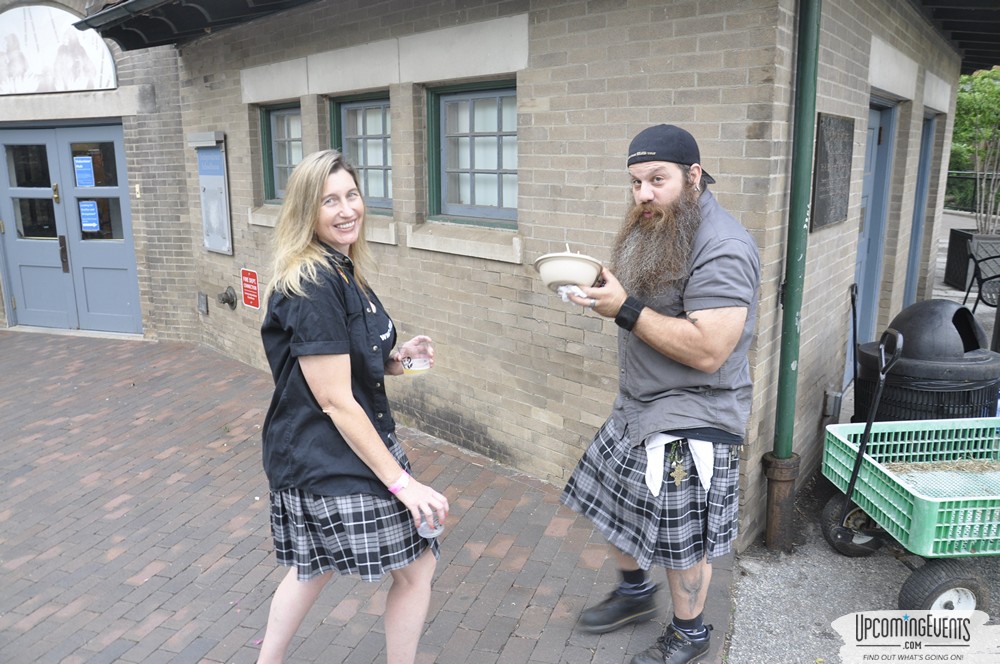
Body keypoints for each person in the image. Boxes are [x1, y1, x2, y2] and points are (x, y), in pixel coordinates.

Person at [560, 124, 760, 664]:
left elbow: (709, 349)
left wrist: (622, 309)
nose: (643, 194)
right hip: (640, 403)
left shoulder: (723, 246)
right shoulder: (664, 223)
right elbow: (649, 298)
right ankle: (632, 593)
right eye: (635, 182)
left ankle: (691, 633)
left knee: (681, 538)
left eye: (656, 179)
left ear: (693, 175)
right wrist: (609, 289)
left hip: (694, 413)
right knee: (610, 499)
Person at [257, 149, 449, 664]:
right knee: (415, 567)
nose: (347, 210)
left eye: (352, 195)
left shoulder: (343, 269)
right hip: (327, 453)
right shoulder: (315, 282)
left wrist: (400, 361)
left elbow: (355, 363)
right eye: (329, 201)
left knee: (312, 568)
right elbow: (336, 400)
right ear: (306, 212)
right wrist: (403, 484)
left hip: (343, 444)